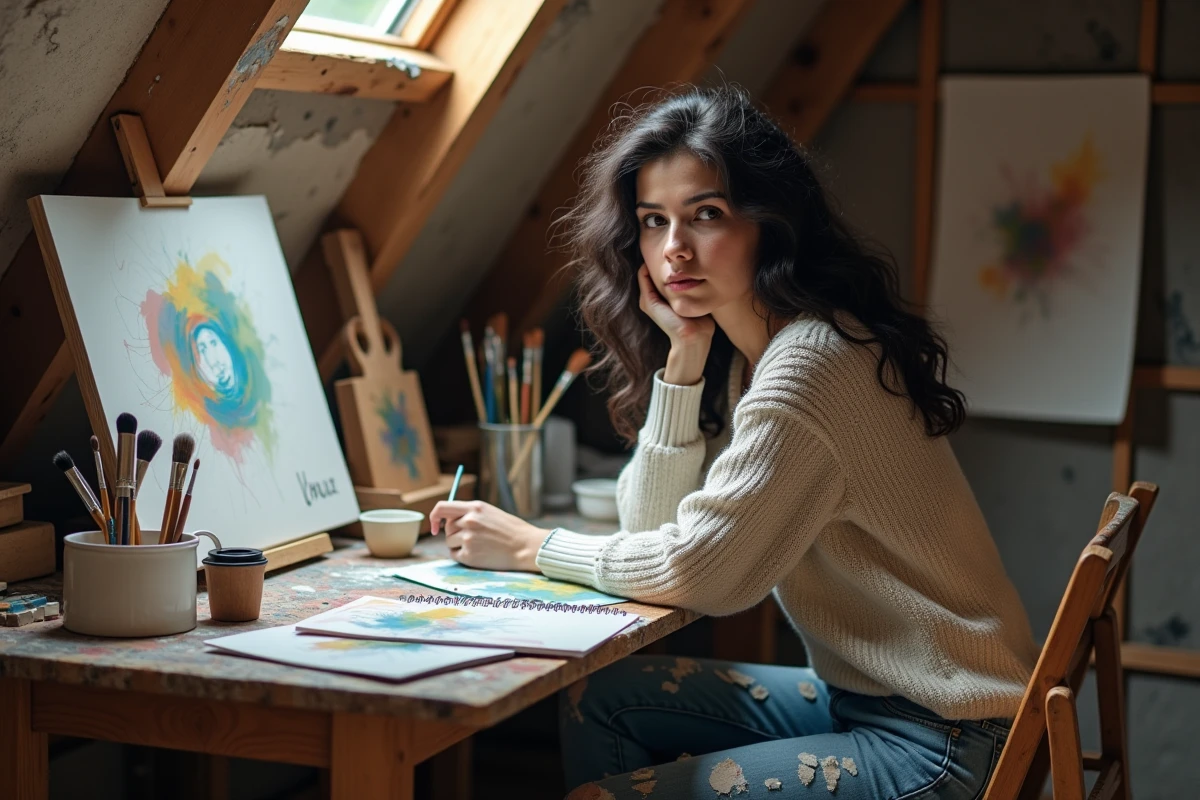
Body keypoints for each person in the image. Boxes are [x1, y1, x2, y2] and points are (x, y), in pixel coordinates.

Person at [429, 85, 1038, 799]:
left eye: (706, 215)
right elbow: (648, 528)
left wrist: (532, 547)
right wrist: (684, 361)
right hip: (872, 702)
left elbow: (702, 575)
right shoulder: (752, 356)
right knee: (599, 696)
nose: (673, 250)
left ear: (771, 224)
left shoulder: (810, 366)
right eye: (653, 222)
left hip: (946, 739)